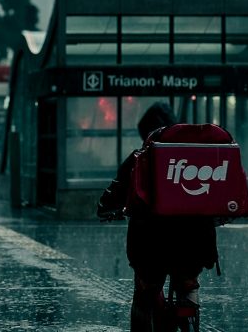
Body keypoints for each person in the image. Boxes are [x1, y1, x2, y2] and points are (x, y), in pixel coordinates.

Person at [98, 102, 218, 332]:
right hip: (195, 246)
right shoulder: (198, 158)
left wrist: (106, 206)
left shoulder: (139, 159)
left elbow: (113, 194)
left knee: (146, 290)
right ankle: (190, 298)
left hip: (151, 249)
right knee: (188, 279)